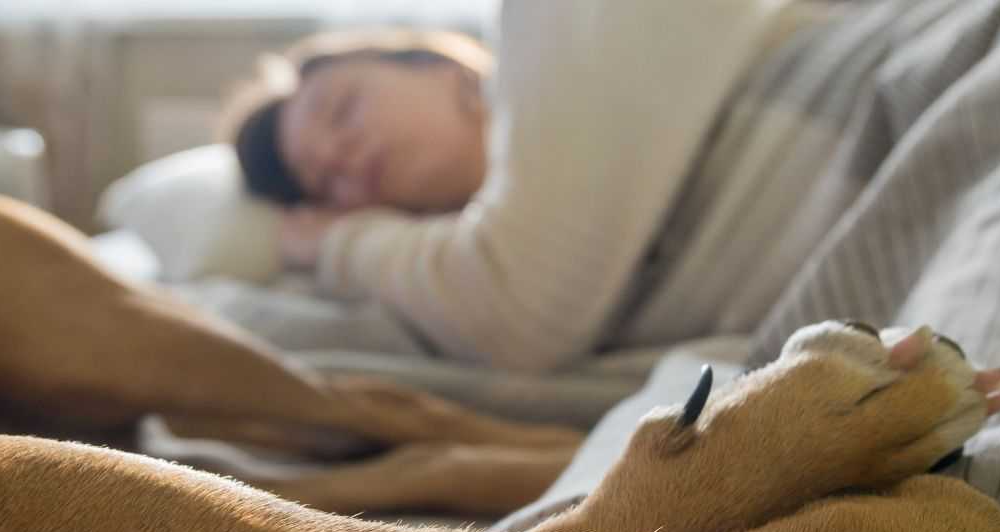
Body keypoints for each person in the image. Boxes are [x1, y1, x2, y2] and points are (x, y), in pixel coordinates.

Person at [227, 2, 845, 372]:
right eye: (325, 184)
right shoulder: (460, 260)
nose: (340, 157)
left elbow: (520, 312)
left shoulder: (564, 28)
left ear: (441, 65)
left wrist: (335, 243)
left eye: (341, 110)